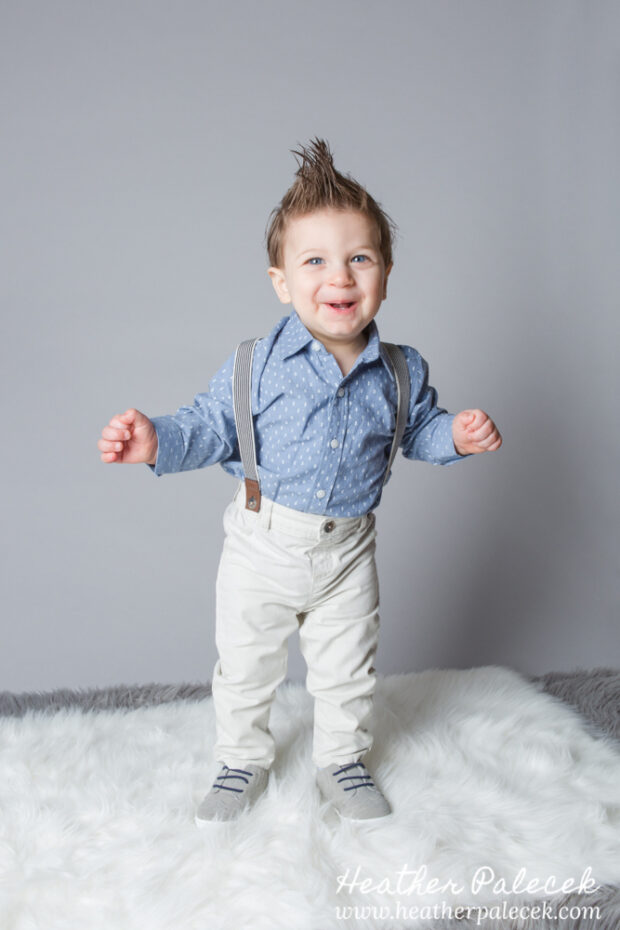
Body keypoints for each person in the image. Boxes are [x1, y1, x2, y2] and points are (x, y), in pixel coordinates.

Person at [98, 138, 502, 824]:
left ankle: (341, 760)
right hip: (262, 543)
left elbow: (419, 431)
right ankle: (240, 760)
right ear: (282, 281)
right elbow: (208, 425)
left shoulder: (401, 370)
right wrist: (156, 441)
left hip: (348, 552)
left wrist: (456, 437)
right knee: (246, 666)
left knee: (348, 670)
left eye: (359, 258)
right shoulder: (256, 364)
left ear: (386, 272)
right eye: (314, 261)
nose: (338, 277)